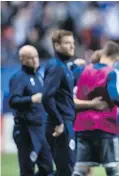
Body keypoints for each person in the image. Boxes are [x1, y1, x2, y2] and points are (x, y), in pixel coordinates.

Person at [42, 29, 105, 176]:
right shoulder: (56, 66)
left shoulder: (63, 66)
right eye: (66, 43)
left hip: (66, 122)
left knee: (66, 170)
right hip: (61, 124)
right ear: (57, 46)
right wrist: (58, 121)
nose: (71, 46)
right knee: (67, 170)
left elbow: (65, 80)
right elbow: (47, 97)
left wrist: (73, 66)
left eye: (72, 43)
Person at [72, 41, 119, 176]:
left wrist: (72, 65)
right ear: (116, 58)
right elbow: (115, 96)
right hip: (105, 126)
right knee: (112, 169)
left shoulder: (82, 71)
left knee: (80, 170)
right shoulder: (113, 73)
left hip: (82, 127)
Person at [9, 45, 53, 176]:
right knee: (27, 169)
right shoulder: (19, 77)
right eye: (30, 58)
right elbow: (13, 101)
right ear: (22, 60)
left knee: (48, 168)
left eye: (36, 56)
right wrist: (31, 99)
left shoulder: (39, 76)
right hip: (26, 131)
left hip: (41, 129)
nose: (35, 60)